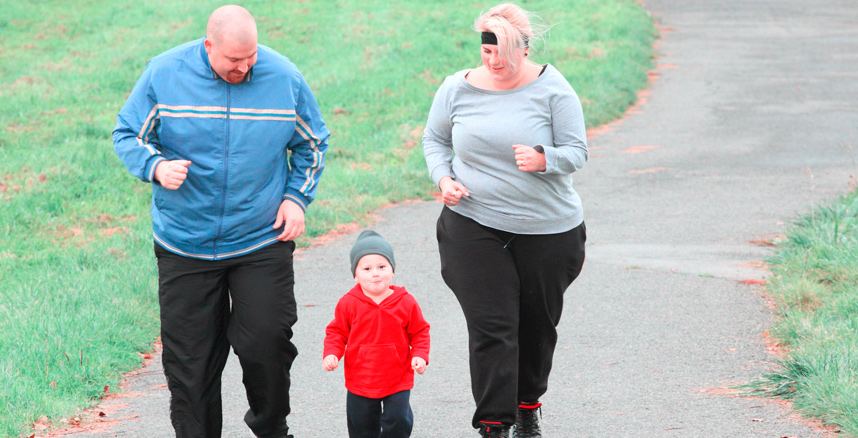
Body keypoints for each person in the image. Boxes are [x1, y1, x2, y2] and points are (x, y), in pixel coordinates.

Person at [112, 5, 329, 437]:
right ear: (209, 45)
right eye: (233, 60)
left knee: (265, 341)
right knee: (190, 363)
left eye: (250, 58)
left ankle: (271, 429)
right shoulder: (164, 73)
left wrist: (296, 199)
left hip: (259, 238)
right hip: (184, 243)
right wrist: (155, 166)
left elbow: (312, 142)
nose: (244, 67)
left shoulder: (283, 77)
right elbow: (128, 134)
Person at [421, 3, 587, 437]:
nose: (494, 62)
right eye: (486, 51)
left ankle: (527, 404)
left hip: (547, 231)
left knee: (535, 328)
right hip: (473, 223)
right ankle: (494, 424)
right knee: (493, 326)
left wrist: (544, 158)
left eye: (503, 53)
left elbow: (577, 152)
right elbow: (435, 140)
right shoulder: (456, 88)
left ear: (525, 47)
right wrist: (443, 178)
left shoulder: (554, 90)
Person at [323, 230, 431, 438]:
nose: (375, 273)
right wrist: (332, 353)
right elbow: (336, 332)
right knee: (362, 428)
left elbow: (420, 332)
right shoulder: (348, 303)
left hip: (397, 378)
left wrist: (420, 355)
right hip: (360, 379)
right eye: (367, 268)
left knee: (398, 421)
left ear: (392, 271)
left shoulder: (405, 302)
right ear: (355, 275)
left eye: (382, 267)